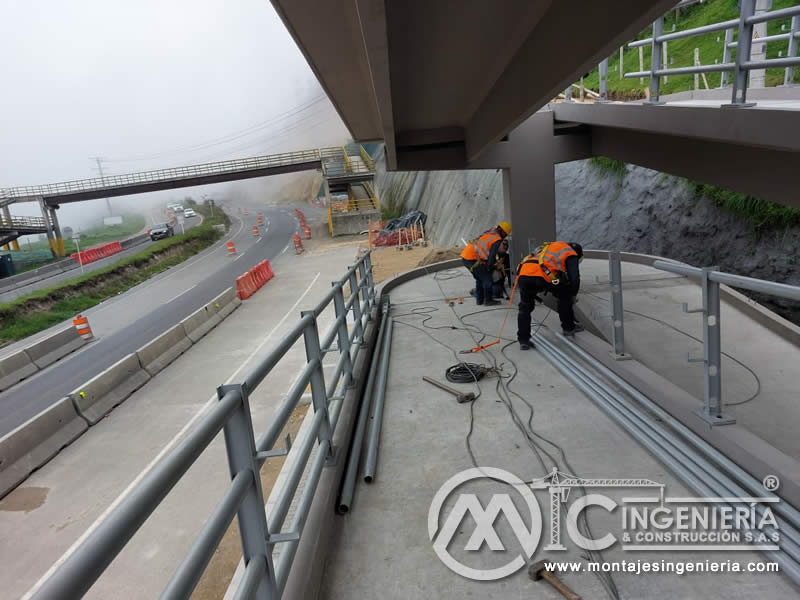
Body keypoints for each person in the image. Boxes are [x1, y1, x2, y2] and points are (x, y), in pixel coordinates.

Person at [515, 241, 585, 350]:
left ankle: (524, 340)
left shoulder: (549, 247)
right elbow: (574, 278)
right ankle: (568, 328)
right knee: (564, 295)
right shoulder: (570, 253)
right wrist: (573, 294)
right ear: (578, 253)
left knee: (525, 308)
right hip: (543, 275)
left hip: (523, 275)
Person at [460, 221, 512, 305]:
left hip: (467, 256)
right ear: (503, 232)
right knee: (487, 278)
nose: (504, 237)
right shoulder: (496, 239)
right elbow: (491, 257)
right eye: (505, 234)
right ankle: (488, 300)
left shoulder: (490, 233)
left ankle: (480, 300)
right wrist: (493, 267)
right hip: (472, 258)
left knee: (480, 279)